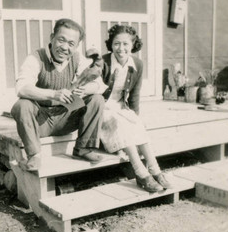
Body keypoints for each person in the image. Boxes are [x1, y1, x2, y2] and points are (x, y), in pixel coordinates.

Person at [11, 18, 106, 172]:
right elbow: (21, 88)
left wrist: (86, 89)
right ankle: (34, 155)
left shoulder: (77, 58)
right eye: (61, 40)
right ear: (51, 38)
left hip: (65, 118)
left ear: (76, 46)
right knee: (21, 105)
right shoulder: (36, 57)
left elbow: (99, 85)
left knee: (97, 99)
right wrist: (53, 94)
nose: (65, 47)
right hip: (40, 121)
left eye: (71, 44)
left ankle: (83, 149)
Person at [100, 24, 171, 192]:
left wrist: (135, 116)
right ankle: (140, 172)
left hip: (120, 106)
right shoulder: (102, 62)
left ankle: (155, 169)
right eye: (116, 43)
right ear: (111, 44)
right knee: (121, 123)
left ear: (133, 45)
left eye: (125, 44)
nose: (121, 48)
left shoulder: (137, 64)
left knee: (136, 123)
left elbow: (134, 96)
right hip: (102, 107)